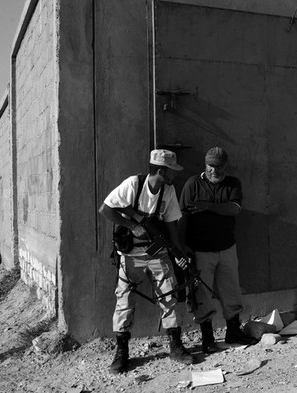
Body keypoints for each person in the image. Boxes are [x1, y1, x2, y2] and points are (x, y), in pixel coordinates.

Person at [99, 149, 194, 374]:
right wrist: (133, 225)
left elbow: (171, 225)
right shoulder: (134, 184)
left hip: (157, 253)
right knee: (125, 300)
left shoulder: (168, 190)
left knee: (169, 295)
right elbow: (106, 209)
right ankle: (121, 352)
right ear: (161, 171)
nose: (175, 175)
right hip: (131, 255)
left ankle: (175, 345)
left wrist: (179, 253)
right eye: (172, 171)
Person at [178, 147, 257, 352]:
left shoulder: (232, 183)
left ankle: (233, 331)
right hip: (200, 250)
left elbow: (234, 208)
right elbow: (182, 217)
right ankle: (207, 339)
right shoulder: (192, 184)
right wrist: (182, 246)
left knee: (231, 291)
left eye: (218, 166)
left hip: (226, 247)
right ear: (205, 165)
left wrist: (207, 206)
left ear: (225, 166)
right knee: (202, 294)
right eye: (210, 166)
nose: (214, 170)